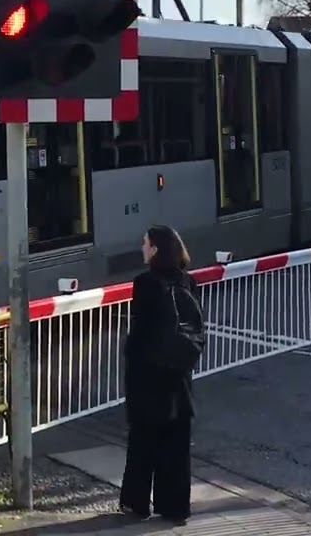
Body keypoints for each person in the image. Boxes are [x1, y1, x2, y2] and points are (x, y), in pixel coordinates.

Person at [118, 224, 199, 525]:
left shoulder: (145, 283)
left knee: (143, 442)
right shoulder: (189, 281)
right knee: (177, 445)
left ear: (155, 249)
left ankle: (137, 503)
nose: (142, 248)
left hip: (149, 377)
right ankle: (176, 506)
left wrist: (132, 361)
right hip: (179, 376)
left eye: (145, 243)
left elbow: (140, 334)